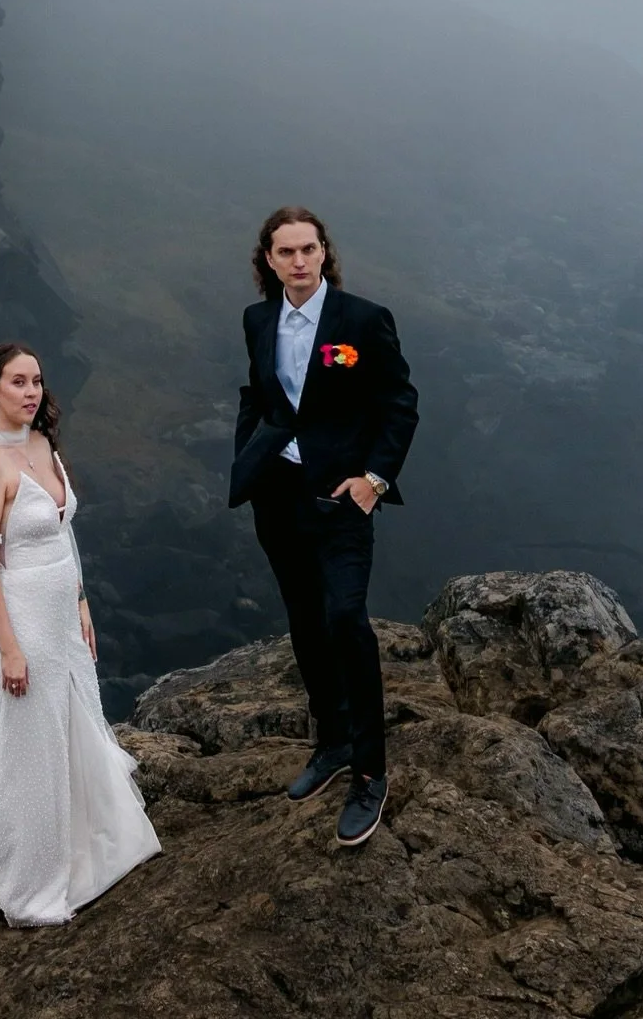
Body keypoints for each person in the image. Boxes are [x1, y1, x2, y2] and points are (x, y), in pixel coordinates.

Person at [228, 207, 419, 847]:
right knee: (306, 623)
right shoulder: (260, 320)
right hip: (278, 498)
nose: (300, 261)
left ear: (324, 253)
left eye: (309, 249)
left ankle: (371, 771)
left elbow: (400, 402)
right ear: (270, 261)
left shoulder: (363, 320)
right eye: (286, 252)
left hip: (342, 498)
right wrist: (247, 460)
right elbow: (257, 393)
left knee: (346, 620)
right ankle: (332, 742)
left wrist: (375, 479)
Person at [0, 341, 161, 925]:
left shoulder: (43, 444)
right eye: (18, 382)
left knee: (72, 727)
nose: (30, 392)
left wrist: (81, 602)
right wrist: (11, 649)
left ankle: (86, 857)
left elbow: (61, 529)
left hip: (60, 614)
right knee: (32, 747)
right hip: (18, 619)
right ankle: (28, 882)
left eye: (37, 382)